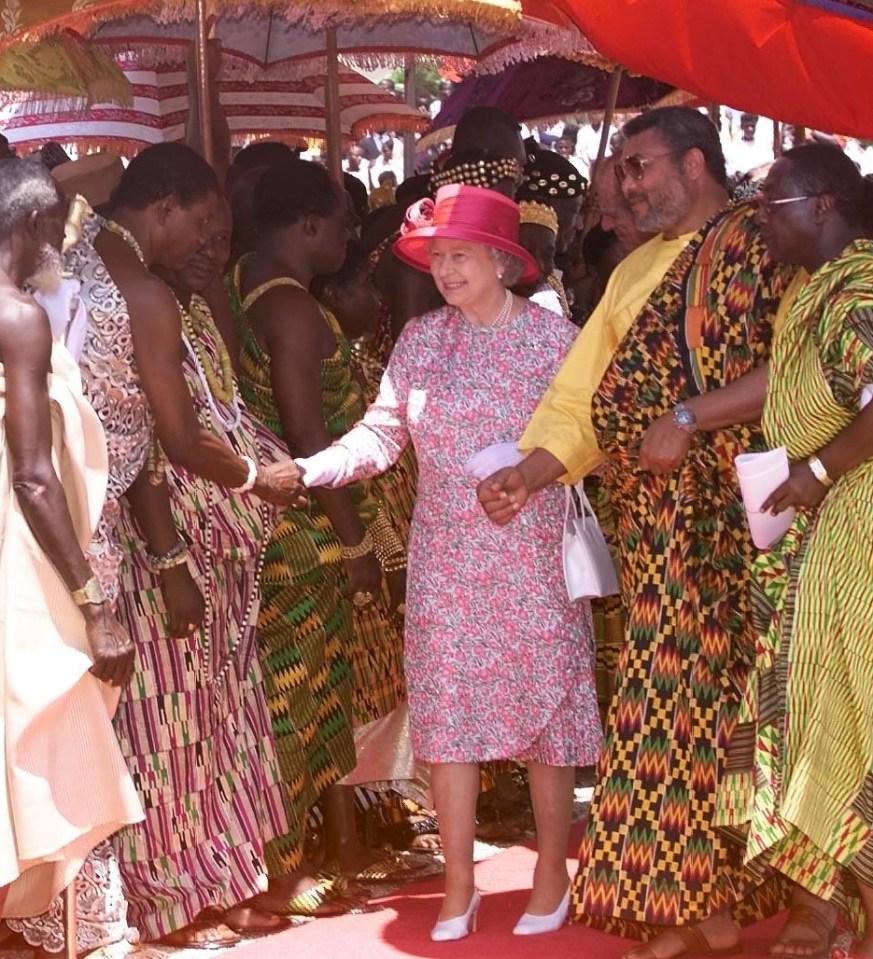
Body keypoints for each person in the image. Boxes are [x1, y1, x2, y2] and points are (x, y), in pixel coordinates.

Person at [478, 106, 795, 958]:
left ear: (694, 164)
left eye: (639, 166)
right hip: (658, 530)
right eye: (621, 169)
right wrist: (528, 473)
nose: (624, 184)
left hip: (744, 526)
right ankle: (697, 907)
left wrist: (690, 415)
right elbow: (583, 397)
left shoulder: (759, 245)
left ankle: (730, 903)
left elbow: (803, 367)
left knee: (723, 710)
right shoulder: (634, 272)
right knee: (666, 707)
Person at [296, 183, 601, 941]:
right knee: (448, 717)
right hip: (445, 558)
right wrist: (312, 468)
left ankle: (551, 869)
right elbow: (380, 433)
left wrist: (537, 468)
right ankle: (458, 883)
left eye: (460, 254)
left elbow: (589, 434)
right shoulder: (421, 339)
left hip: (531, 555)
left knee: (547, 712)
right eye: (436, 256)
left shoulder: (551, 341)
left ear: (504, 260)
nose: (445, 269)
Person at [56, 142, 306, 949]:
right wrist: (254, 481)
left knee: (164, 718)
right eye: (204, 225)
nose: (214, 246)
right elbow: (176, 439)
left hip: (95, 522)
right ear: (162, 206)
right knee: (165, 719)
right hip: (121, 535)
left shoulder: (79, 258)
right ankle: (170, 894)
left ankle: (201, 881)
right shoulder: (140, 293)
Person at [232, 158, 412, 908]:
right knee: (297, 698)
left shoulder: (242, 281)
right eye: (340, 221)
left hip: (285, 524)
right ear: (306, 224)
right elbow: (310, 436)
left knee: (308, 694)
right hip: (307, 531)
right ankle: (280, 868)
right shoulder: (296, 311)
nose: (348, 234)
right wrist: (359, 541)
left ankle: (305, 853)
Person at [720, 144, 873, 959]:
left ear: (821, 205)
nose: (759, 222)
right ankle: (821, 907)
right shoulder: (810, 295)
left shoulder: (861, 290)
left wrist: (816, 470)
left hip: (859, 524)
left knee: (855, 710)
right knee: (811, 709)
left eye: (768, 205)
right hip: (816, 534)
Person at [0, 157, 141, 926]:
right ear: (35, 226)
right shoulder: (17, 314)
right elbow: (33, 476)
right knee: (31, 732)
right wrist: (94, 604)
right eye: (59, 229)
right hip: (22, 556)